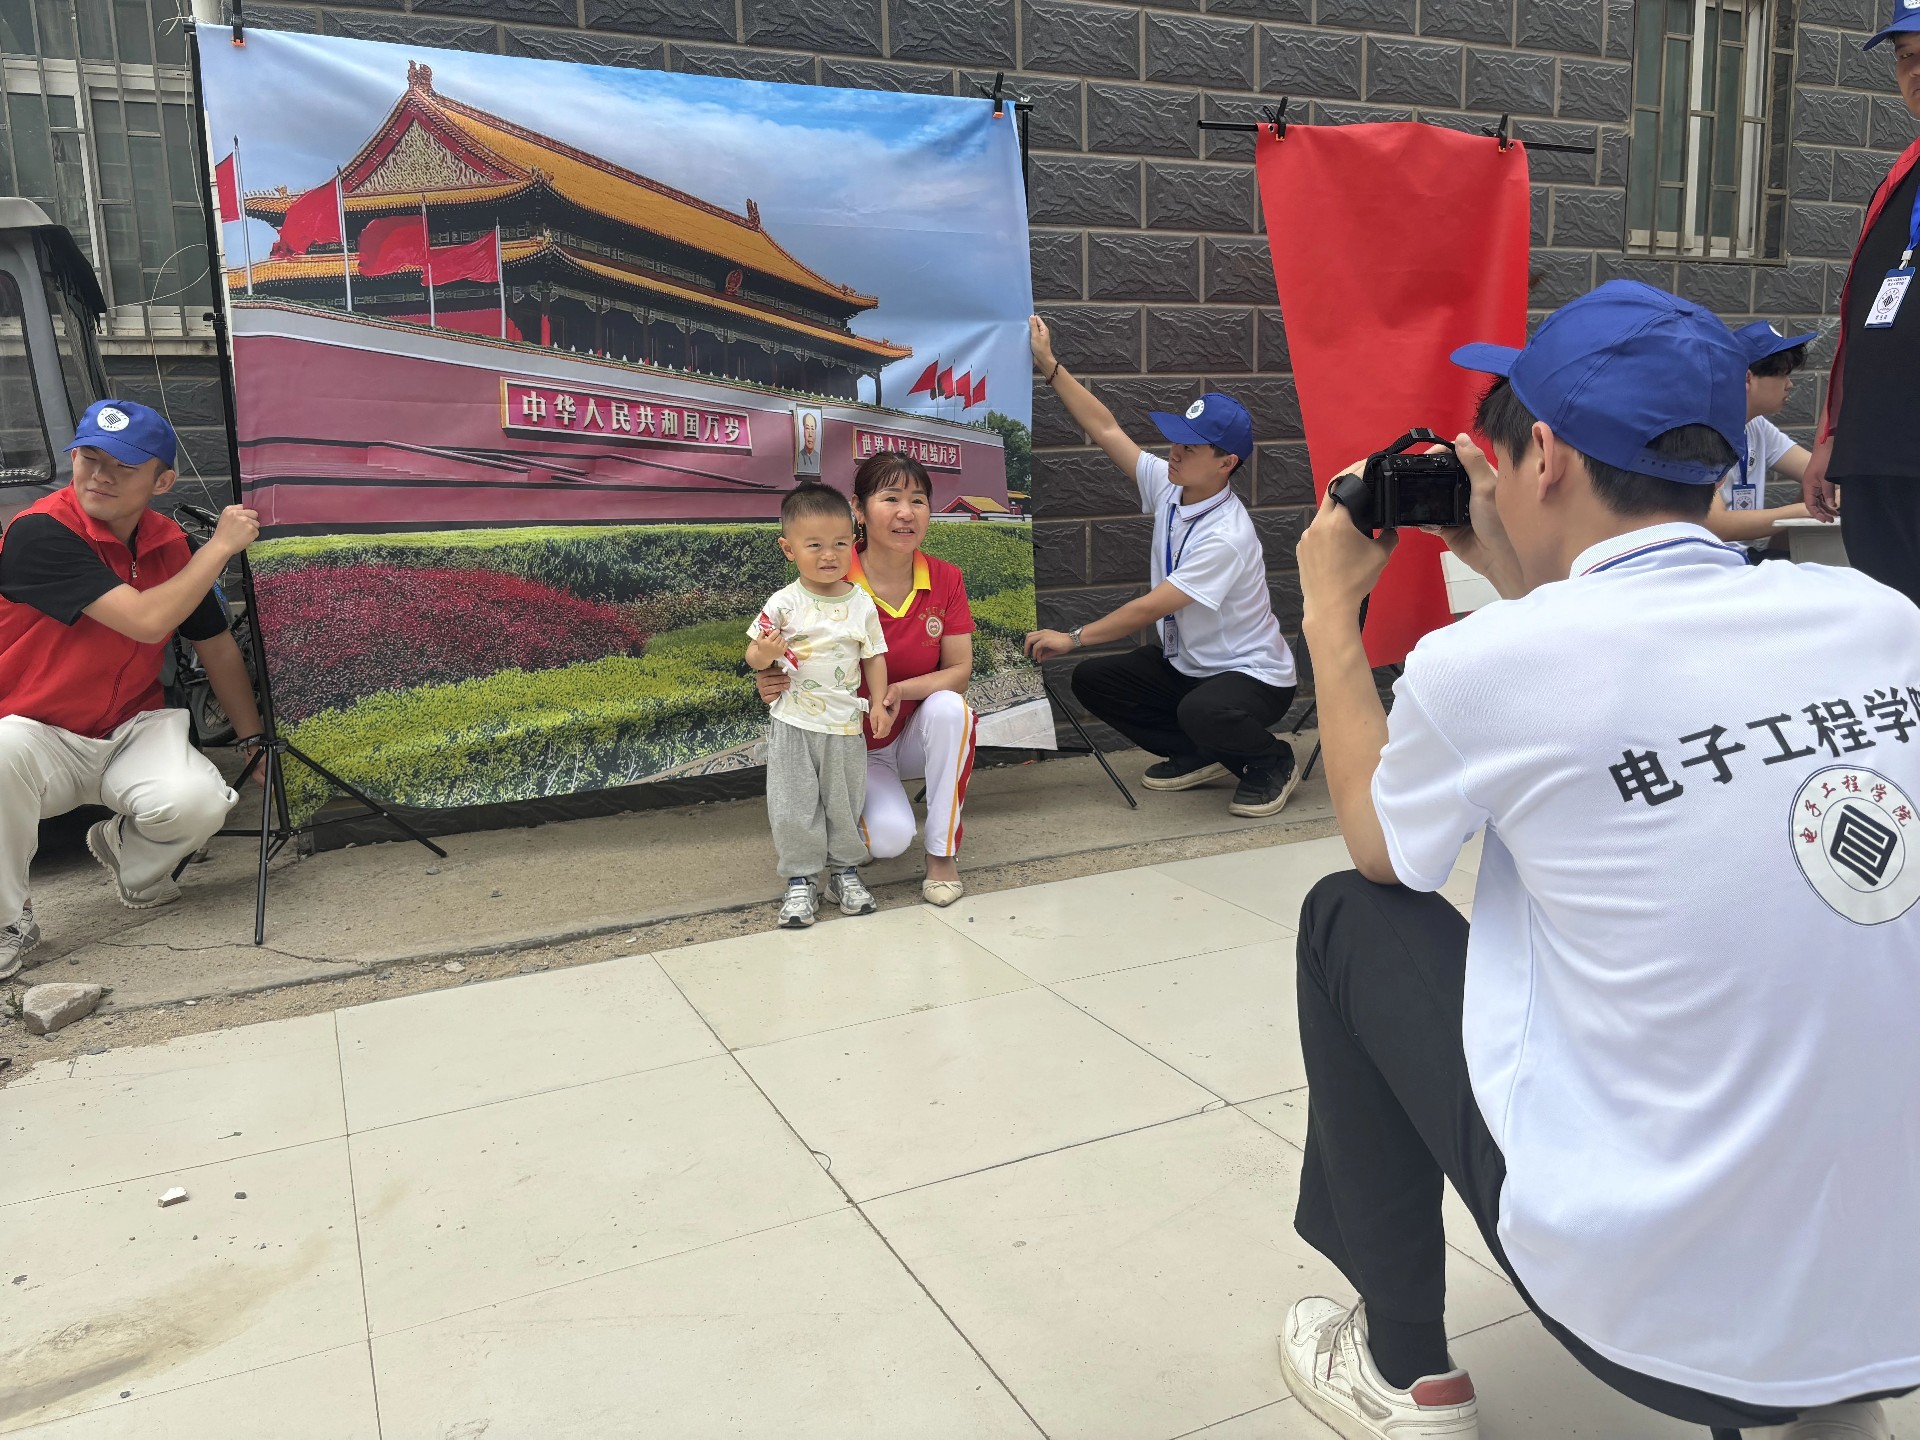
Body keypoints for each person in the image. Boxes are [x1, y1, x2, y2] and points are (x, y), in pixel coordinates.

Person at [1280, 280, 1920, 1440]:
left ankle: (1406, 1373)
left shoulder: (1488, 666)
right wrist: (1523, 572)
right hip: (1904, 1305)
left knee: (1348, 917)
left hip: (1664, 1337)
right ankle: (1832, 1398)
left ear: (1548, 457)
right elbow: (1629, 668)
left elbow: (1383, 848)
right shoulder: (1879, 619)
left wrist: (1331, 616)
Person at [0, 400, 263, 979]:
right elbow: (146, 621)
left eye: (123, 465)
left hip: (129, 729)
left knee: (201, 803)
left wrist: (252, 740)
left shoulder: (171, 545)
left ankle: (128, 850)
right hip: (34, 733)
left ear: (162, 481)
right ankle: (7, 920)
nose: (100, 476)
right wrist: (220, 548)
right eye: (89, 458)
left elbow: (215, 644)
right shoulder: (40, 532)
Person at [1021, 316, 1301, 818]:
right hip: (1189, 666)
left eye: (1190, 448)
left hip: (1251, 676)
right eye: (1175, 440)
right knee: (1094, 680)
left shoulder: (1227, 536)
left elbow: (1150, 608)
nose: (1174, 453)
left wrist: (1073, 636)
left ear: (1226, 463)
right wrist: (1050, 366)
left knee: (1201, 709)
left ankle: (1270, 760)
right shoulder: (1171, 487)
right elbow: (1106, 428)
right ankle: (1203, 753)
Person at [756, 453, 979, 907]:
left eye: (918, 500)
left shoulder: (946, 578)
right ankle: (841, 837)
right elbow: (780, 646)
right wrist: (768, 674)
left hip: (912, 734)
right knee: (889, 840)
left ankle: (942, 855)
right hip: (853, 745)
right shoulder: (829, 576)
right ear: (858, 509)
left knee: (952, 710)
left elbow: (959, 671)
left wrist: (899, 691)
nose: (906, 513)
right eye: (890, 498)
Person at [1800, 10, 1920, 606]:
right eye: (1906, 57)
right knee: (1890, 631)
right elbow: (1861, 318)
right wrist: (1831, 438)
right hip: (1876, 456)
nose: (1916, 71)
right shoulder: (1899, 176)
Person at [747, 482, 891, 929]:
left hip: (845, 724)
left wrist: (879, 705)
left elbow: (874, 656)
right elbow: (753, 654)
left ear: (853, 543)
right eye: (814, 546)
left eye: (840, 544)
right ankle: (801, 879)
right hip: (793, 723)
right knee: (794, 804)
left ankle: (844, 874)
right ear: (788, 549)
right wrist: (765, 654)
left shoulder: (861, 603)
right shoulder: (784, 603)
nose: (829, 555)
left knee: (844, 802)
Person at [1705, 321, 1812, 557]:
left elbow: (1816, 472)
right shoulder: (1703, 431)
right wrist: (1806, 511)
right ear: (1747, 378)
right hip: (1709, 561)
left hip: (1745, 558)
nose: (1789, 385)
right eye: (1782, 374)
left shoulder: (1756, 425)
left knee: (1816, 488)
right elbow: (1718, 525)